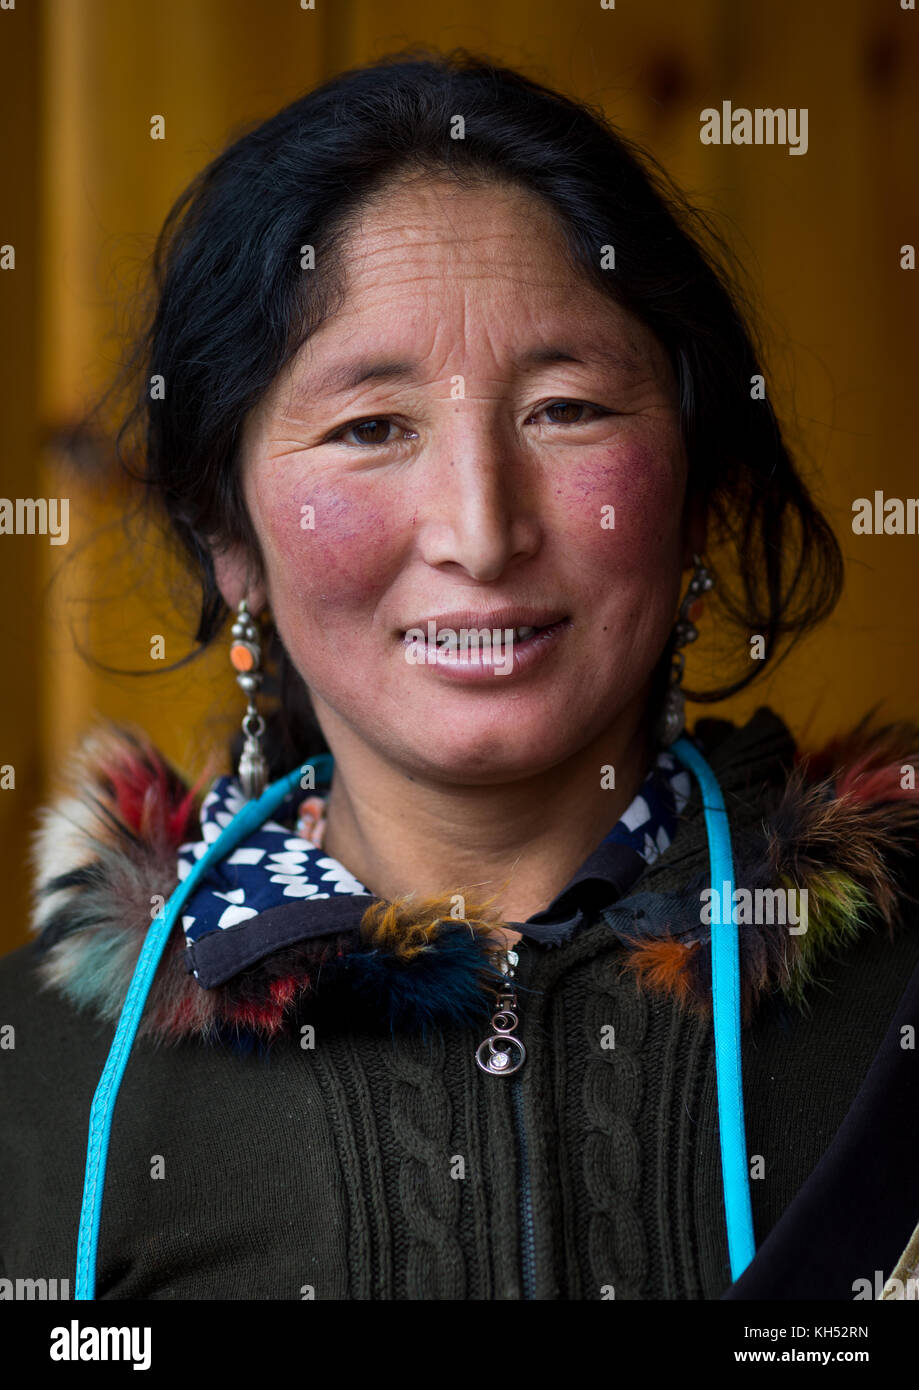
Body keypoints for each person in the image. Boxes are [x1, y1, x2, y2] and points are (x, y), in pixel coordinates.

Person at [2, 49, 919, 1303]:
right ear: (228, 534)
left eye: (567, 410)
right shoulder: (46, 1092)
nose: (482, 532)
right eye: (371, 428)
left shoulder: (892, 1007)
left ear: (701, 489)